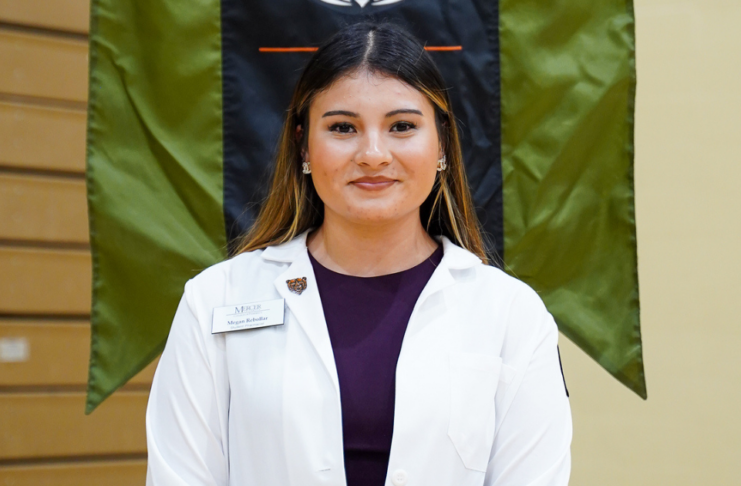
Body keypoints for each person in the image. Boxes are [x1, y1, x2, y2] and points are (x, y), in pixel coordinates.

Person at [145, 21, 571, 486]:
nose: (372, 153)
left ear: (442, 144)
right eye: (343, 127)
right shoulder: (214, 301)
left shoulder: (512, 315)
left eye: (402, 126)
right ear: (302, 144)